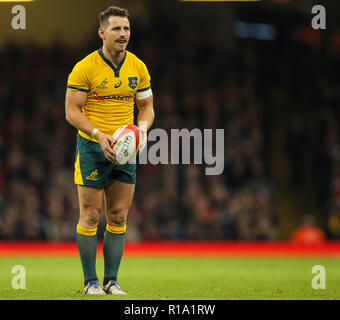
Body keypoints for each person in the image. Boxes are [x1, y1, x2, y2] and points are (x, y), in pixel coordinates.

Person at [65, 6, 154, 295]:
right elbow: (71, 111)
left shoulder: (137, 67)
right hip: (92, 147)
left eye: (126, 29)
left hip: (125, 150)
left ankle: (111, 281)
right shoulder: (85, 67)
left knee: (118, 216)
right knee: (90, 216)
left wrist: (141, 130)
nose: (123, 34)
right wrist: (98, 135)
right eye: (116, 28)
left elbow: (147, 108)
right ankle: (91, 283)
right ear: (102, 33)